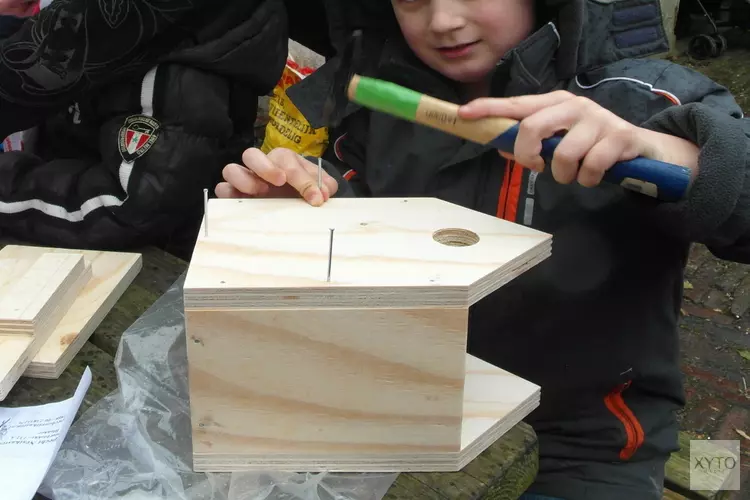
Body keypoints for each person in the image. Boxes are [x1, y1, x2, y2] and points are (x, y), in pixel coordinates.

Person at [217, 0, 750, 499]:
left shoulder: (645, 98)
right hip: (408, 402)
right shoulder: (381, 93)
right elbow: (366, 205)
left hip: (584, 444)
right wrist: (311, 201)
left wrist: (667, 154)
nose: (443, 20)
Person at [0, 0, 287, 258]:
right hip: (62, 218)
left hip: (154, 261)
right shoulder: (100, 28)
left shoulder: (177, 74)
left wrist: (7, 187)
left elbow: (130, 206)